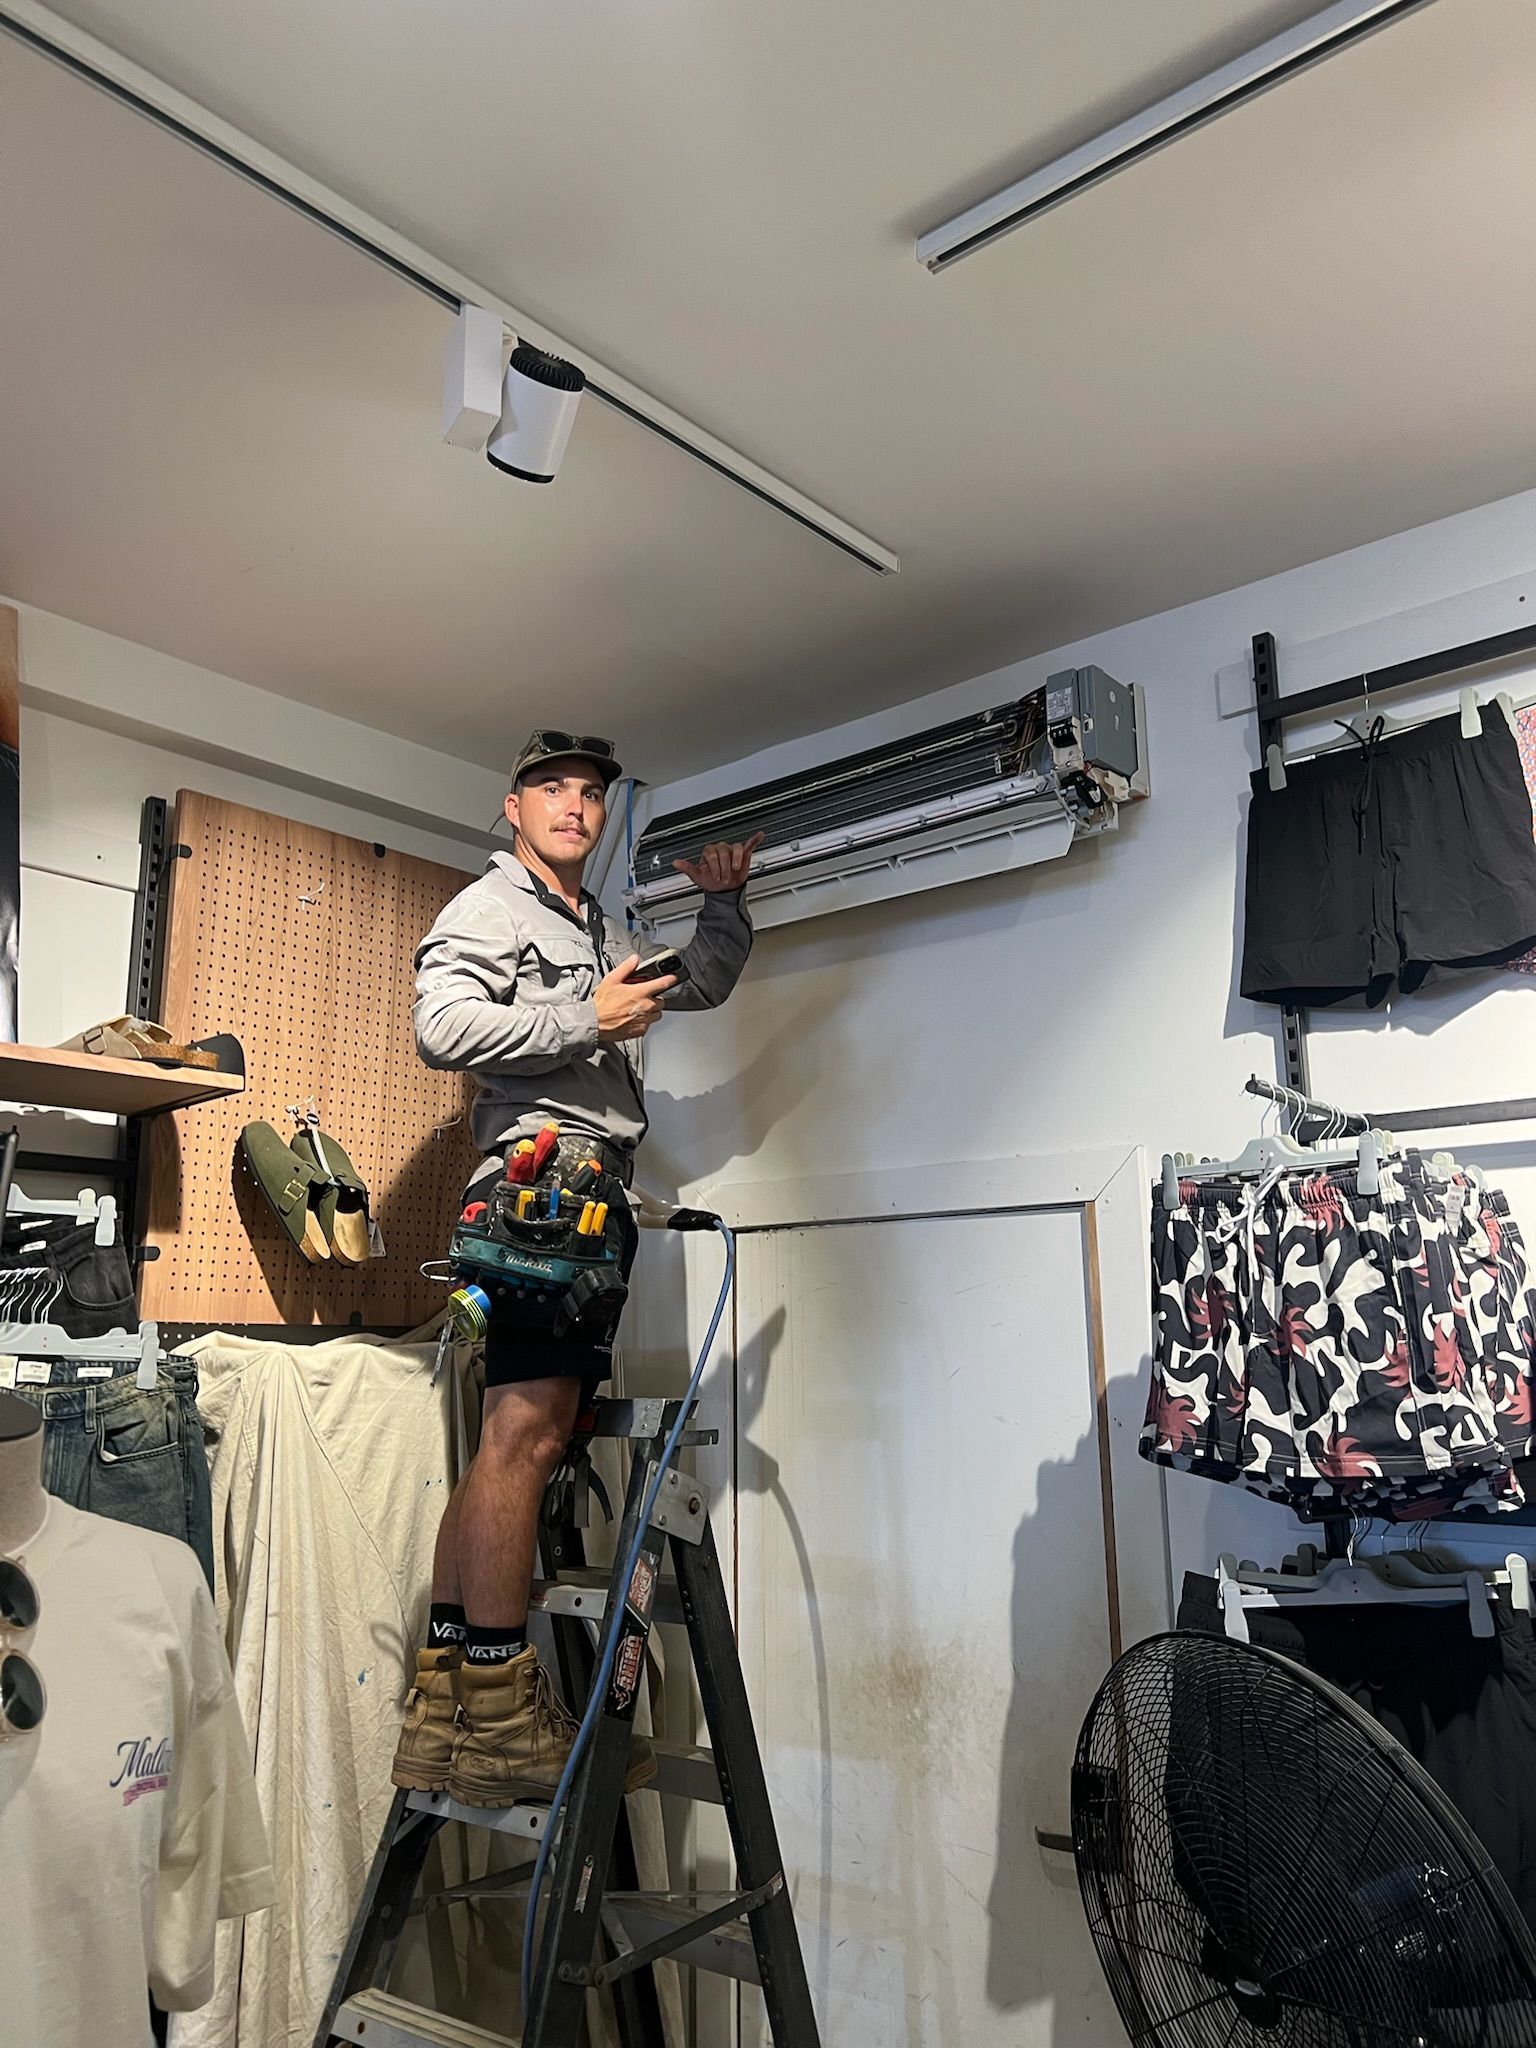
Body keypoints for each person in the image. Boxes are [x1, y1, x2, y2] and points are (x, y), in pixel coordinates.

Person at [392, 729, 758, 1805]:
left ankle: (446, 1702)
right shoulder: (491, 907)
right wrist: (580, 1015)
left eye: (591, 793)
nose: (576, 804)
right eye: (552, 788)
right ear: (513, 808)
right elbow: (440, 1024)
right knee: (528, 1434)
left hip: (578, 1192)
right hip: (543, 1188)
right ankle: (504, 1713)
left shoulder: (598, 927)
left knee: (513, 1434)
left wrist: (724, 905)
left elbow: (701, 981)